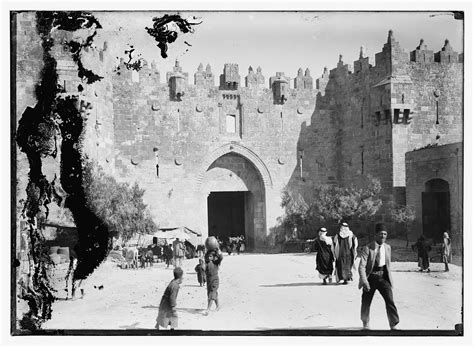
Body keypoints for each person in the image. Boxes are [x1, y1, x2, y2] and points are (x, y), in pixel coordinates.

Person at [358, 223, 399, 330]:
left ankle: (393, 324)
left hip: (383, 278)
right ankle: (365, 323)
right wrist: (364, 281)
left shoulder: (388, 247)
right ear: (375, 235)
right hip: (370, 278)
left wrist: (389, 280)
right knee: (366, 302)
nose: (383, 236)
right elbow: (361, 266)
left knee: (390, 300)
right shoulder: (367, 248)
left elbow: (388, 265)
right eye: (381, 234)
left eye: (385, 234)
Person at [204, 246, 224, 315]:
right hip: (209, 280)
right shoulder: (206, 263)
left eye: (211, 256)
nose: (209, 258)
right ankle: (218, 306)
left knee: (211, 294)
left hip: (215, 280)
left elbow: (221, 257)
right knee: (212, 293)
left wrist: (218, 250)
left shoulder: (216, 262)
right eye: (208, 256)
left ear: (213, 257)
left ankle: (208, 309)